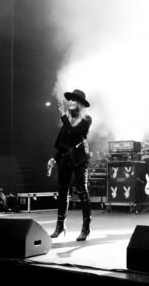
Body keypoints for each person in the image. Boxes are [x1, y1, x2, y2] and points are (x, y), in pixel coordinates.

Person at [48, 89, 92, 241]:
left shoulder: (86, 119)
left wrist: (63, 116)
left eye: (74, 99)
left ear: (80, 103)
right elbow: (63, 143)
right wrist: (54, 159)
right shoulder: (67, 120)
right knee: (62, 191)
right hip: (65, 158)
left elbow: (73, 133)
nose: (70, 102)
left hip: (79, 158)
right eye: (70, 99)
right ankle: (60, 226)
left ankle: (86, 228)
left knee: (82, 190)